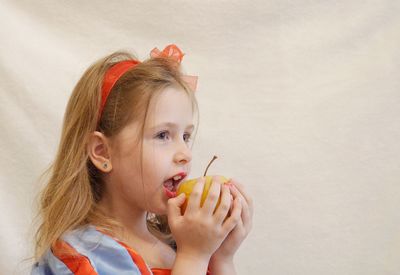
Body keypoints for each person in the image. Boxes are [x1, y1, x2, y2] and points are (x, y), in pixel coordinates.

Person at [31, 44, 253, 275]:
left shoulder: (178, 243)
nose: (185, 154)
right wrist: (194, 257)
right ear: (102, 152)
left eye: (186, 136)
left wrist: (221, 258)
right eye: (163, 135)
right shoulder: (80, 259)